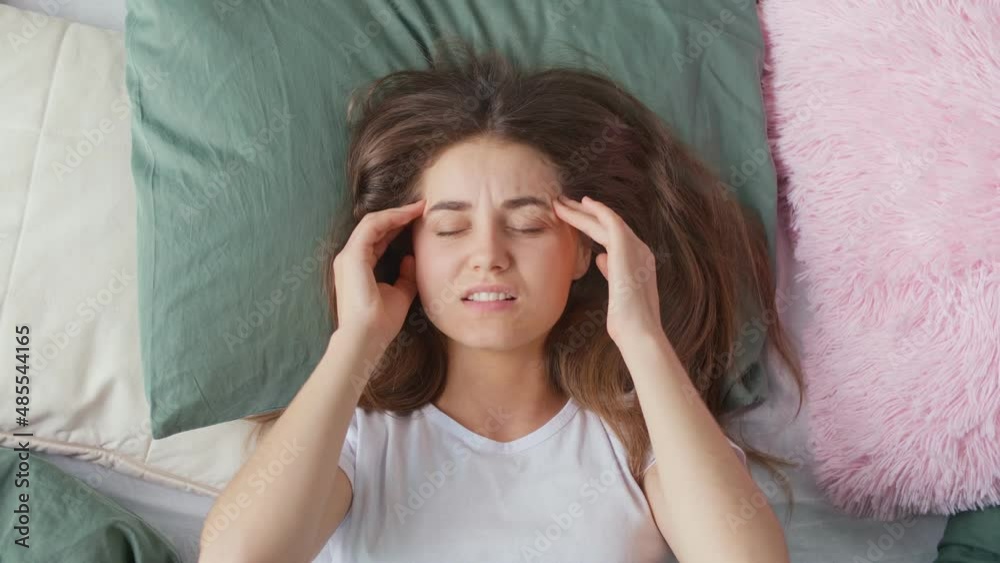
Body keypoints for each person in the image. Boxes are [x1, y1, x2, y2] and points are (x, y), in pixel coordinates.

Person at [200, 37, 803, 563]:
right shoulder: (356, 440)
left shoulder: (641, 441)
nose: (487, 254)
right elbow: (238, 557)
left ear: (581, 254)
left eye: (529, 224)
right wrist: (356, 339)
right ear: (405, 252)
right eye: (450, 227)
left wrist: (642, 337)